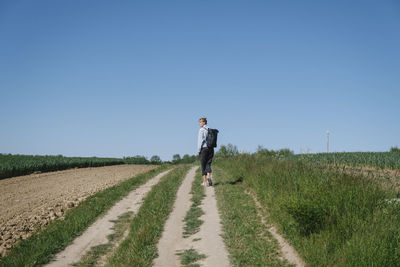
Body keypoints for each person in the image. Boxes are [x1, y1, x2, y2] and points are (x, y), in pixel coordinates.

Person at [197, 117, 214, 186]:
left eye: (200, 122)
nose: (199, 124)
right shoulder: (210, 129)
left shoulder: (201, 130)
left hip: (204, 149)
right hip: (211, 148)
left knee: (203, 165)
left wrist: (198, 150)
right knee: (208, 163)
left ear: (204, 122)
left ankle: (205, 182)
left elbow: (200, 141)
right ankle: (209, 176)